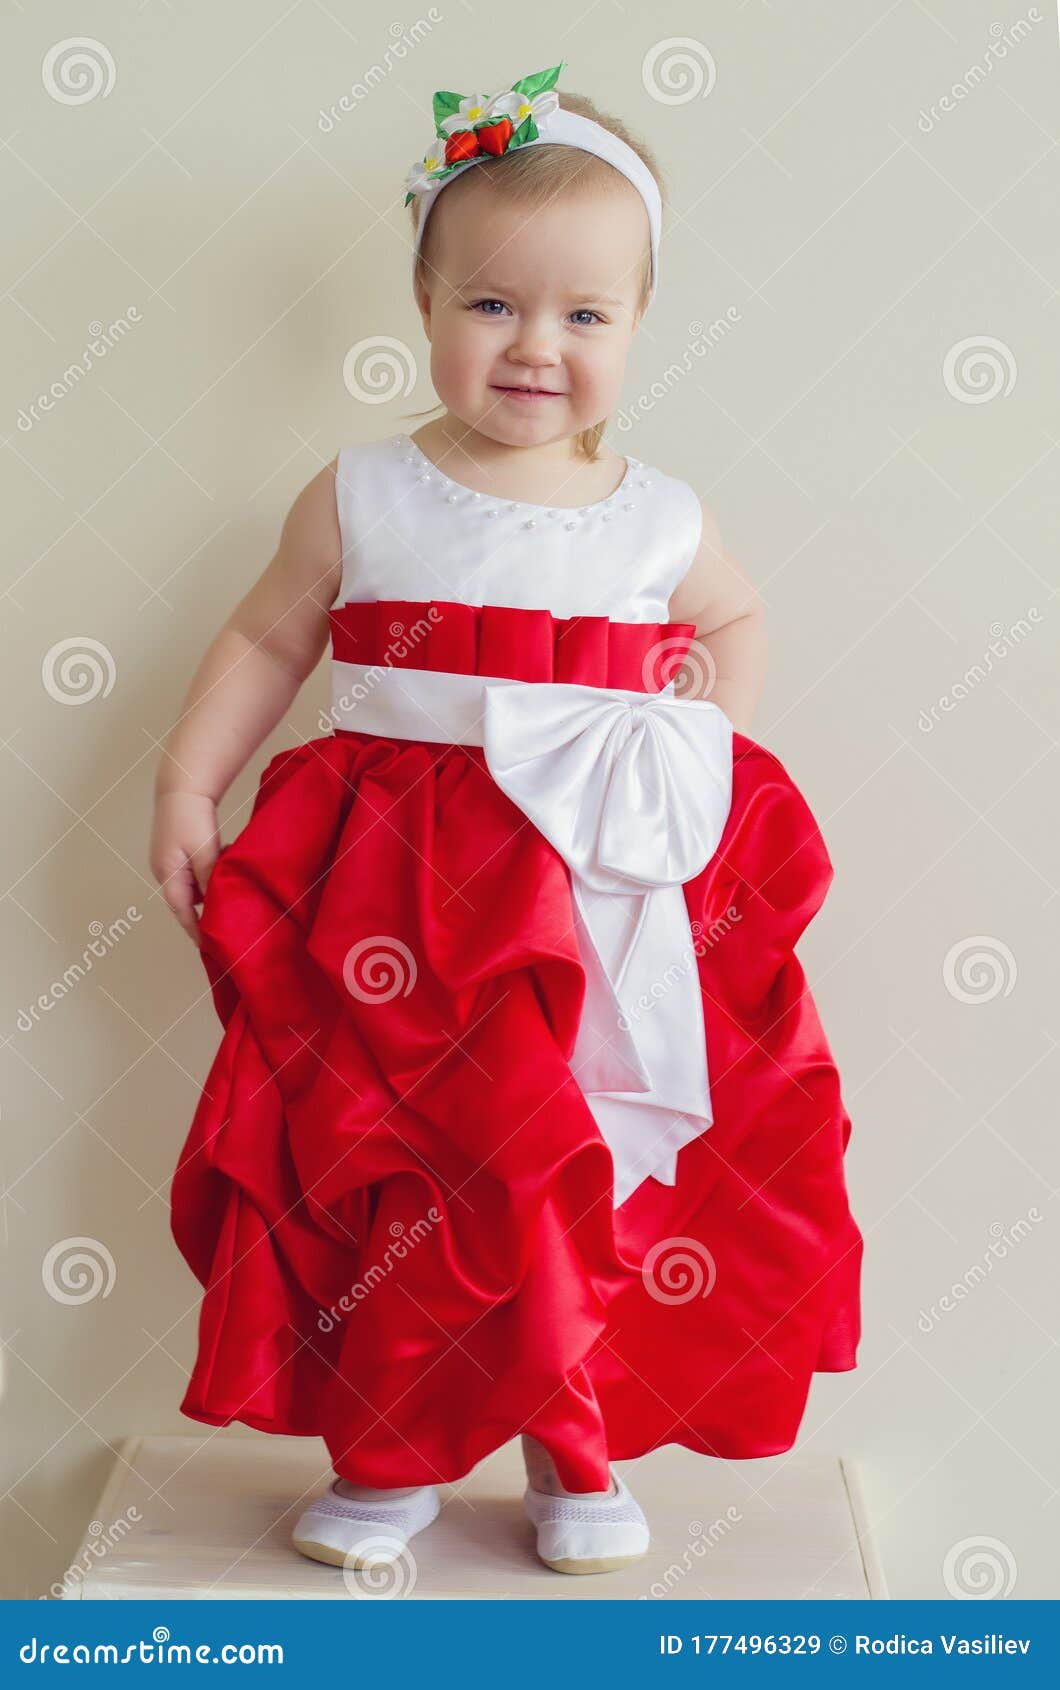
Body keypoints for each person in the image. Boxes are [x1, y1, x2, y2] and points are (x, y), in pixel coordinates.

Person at [153, 61, 862, 1580]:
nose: (537, 346)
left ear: (636, 327)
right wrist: (188, 785)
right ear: (424, 303)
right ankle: (388, 1442)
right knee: (395, 1160)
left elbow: (730, 623)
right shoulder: (362, 492)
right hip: (391, 898)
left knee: (574, 1155)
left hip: (586, 890)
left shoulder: (659, 515)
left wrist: (693, 737)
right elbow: (270, 640)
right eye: (493, 304)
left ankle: (574, 1445)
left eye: (585, 316)